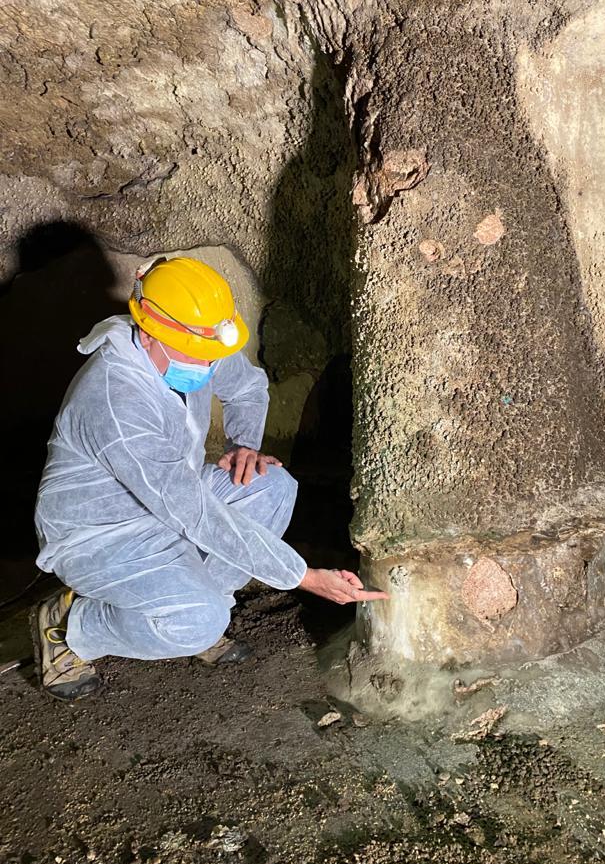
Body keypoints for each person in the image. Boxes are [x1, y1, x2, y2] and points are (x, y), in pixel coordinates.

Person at [32, 256, 387, 701]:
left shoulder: (193, 343)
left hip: (170, 498)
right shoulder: (115, 398)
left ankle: (202, 608)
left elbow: (247, 387)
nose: (208, 363)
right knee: (198, 621)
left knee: (272, 486)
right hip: (100, 535)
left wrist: (245, 445)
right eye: (198, 354)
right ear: (150, 331)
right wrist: (303, 576)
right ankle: (71, 626)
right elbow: (193, 514)